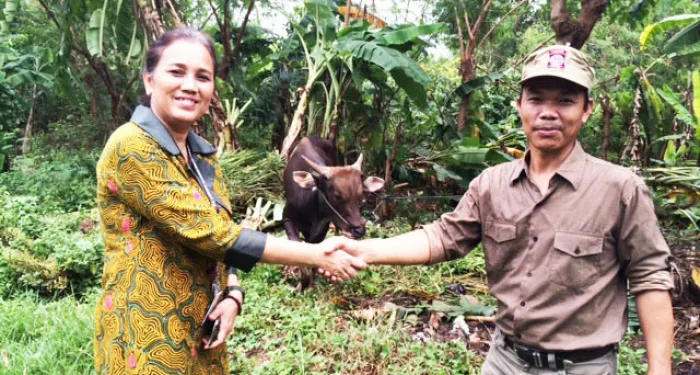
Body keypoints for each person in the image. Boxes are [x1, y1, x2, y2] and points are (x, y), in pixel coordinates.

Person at [326, 45, 674, 374]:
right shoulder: (491, 184)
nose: (547, 113)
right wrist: (361, 249)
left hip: (583, 367)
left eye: (565, 101)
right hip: (504, 360)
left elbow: (650, 278)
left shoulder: (619, 188)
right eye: (536, 100)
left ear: (586, 109)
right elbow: (444, 237)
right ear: (519, 105)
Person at [93, 28, 366, 375]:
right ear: (149, 80)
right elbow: (212, 235)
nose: (191, 85)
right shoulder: (132, 146)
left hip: (205, 322)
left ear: (211, 92)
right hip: (145, 327)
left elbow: (222, 229)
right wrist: (316, 254)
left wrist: (232, 291)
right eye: (177, 72)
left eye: (203, 77)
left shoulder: (203, 155)